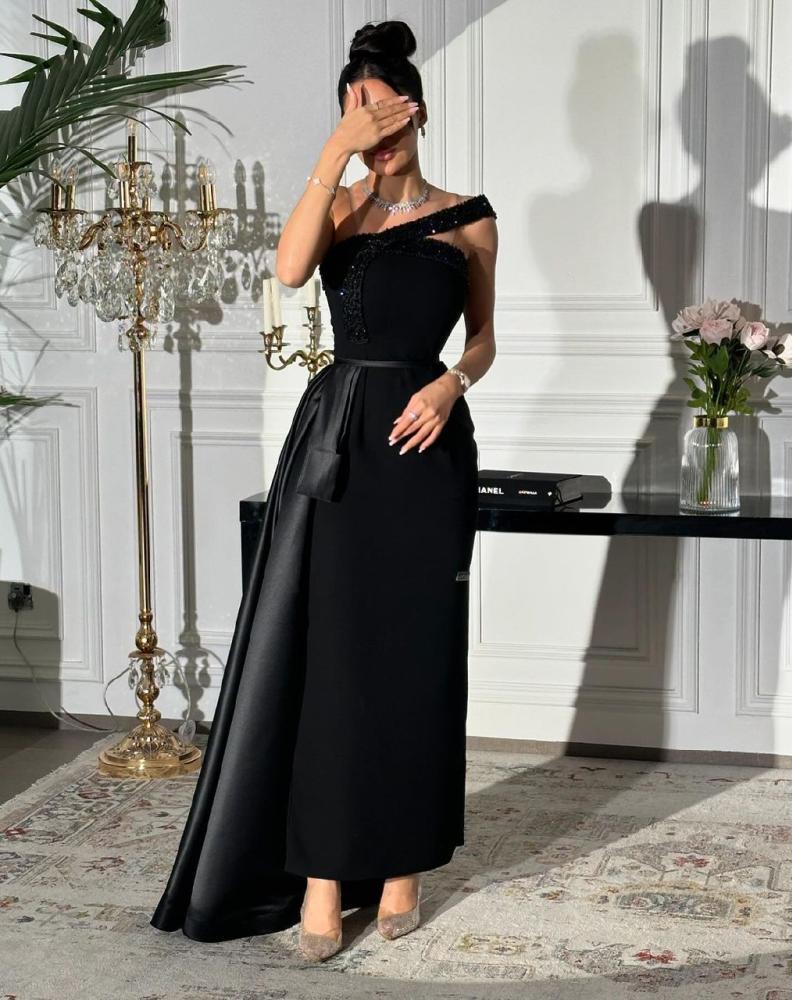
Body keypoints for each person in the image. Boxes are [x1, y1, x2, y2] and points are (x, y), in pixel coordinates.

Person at [149, 18, 498, 963]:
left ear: (414, 110)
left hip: (426, 449)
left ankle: (405, 864)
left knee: (416, 656)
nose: (371, 129)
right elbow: (290, 268)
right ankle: (323, 876)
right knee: (332, 659)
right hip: (338, 442)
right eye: (354, 114)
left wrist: (450, 384)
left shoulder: (470, 216)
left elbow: (482, 339)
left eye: (380, 111)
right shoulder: (338, 205)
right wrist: (333, 152)